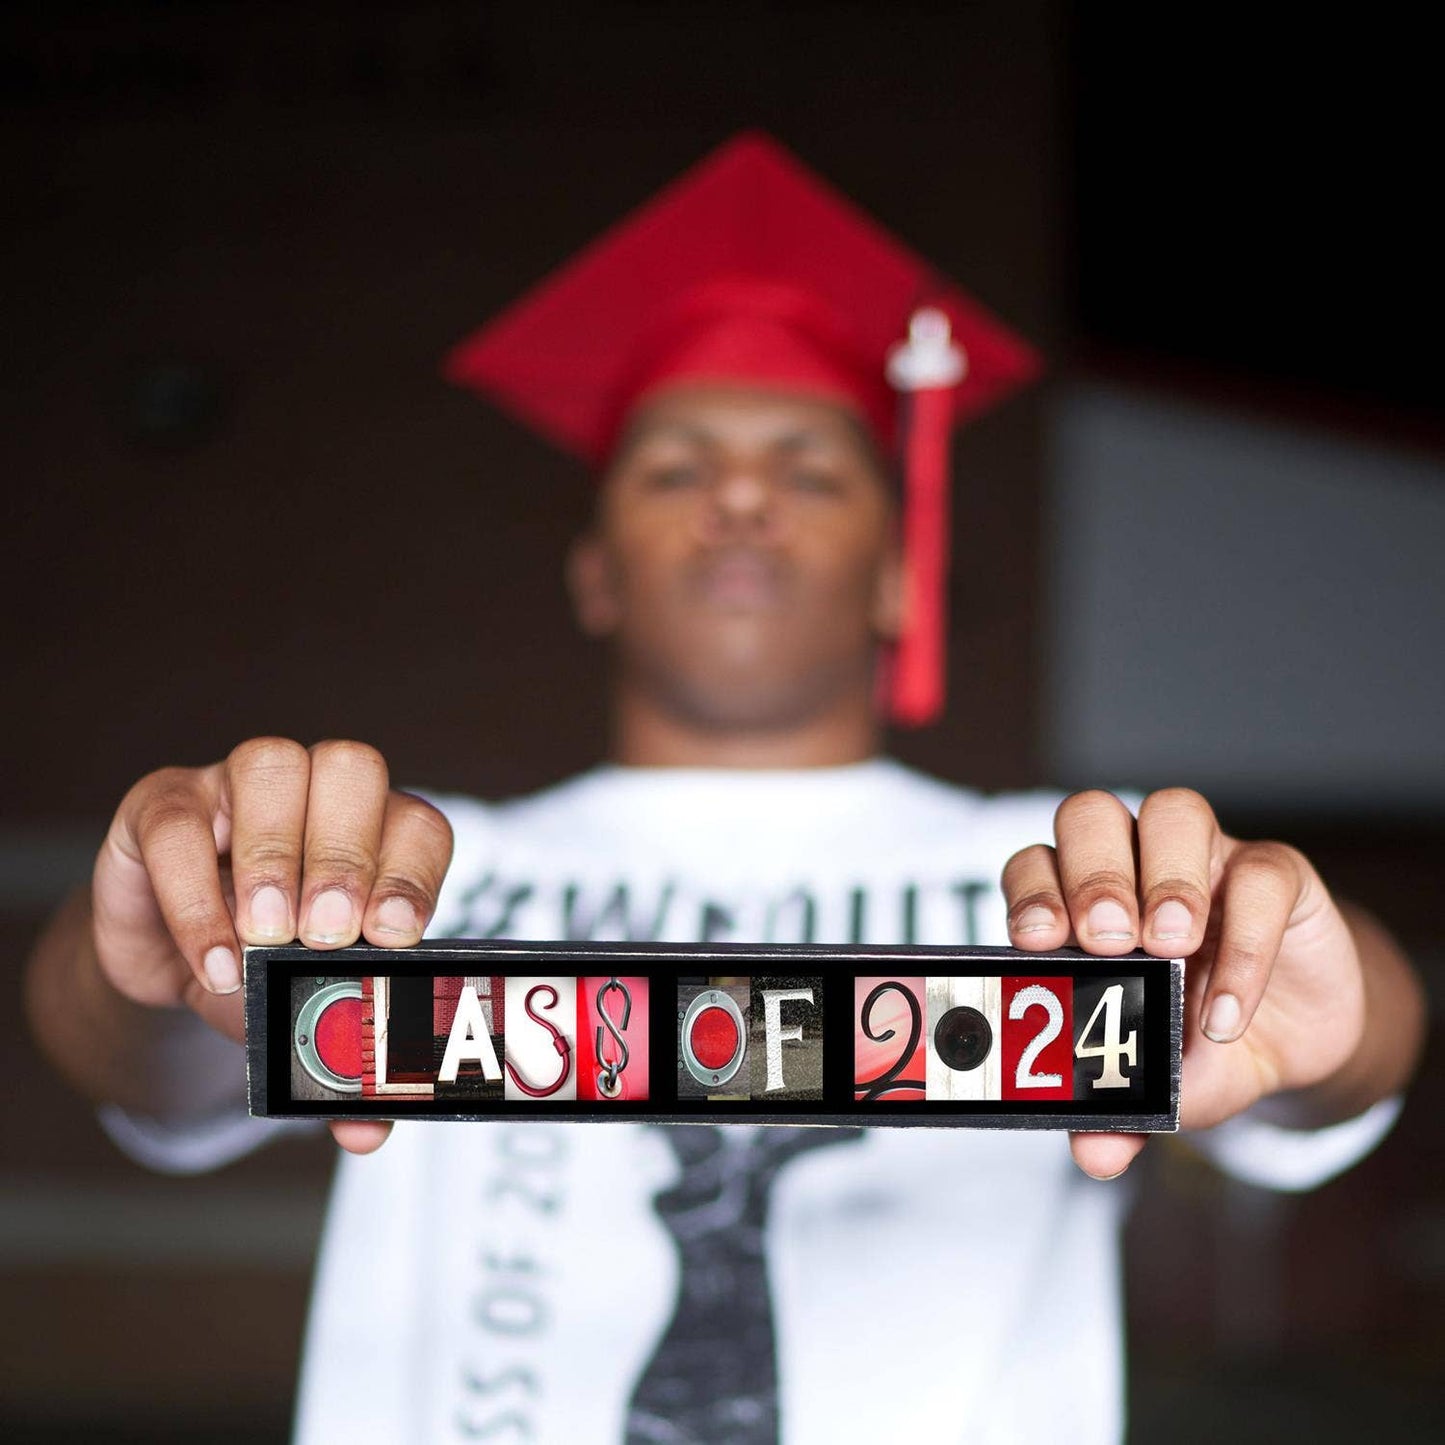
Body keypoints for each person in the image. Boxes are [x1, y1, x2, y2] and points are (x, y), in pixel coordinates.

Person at [25, 135, 1425, 1444]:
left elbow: (1330, 1059)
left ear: (896, 568)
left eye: (807, 470)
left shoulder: (1072, 893)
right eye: (678, 466)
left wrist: (1324, 992)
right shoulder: (396, 876)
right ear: (593, 569)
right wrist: (150, 949)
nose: (741, 500)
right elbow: (151, 1060)